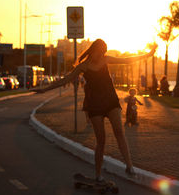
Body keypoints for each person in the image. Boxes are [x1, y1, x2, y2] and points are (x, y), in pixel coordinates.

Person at [34, 39, 157, 183]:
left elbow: (127, 60)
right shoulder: (83, 66)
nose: (102, 54)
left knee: (118, 131)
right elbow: (65, 80)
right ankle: (98, 176)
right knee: (101, 140)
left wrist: (147, 55)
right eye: (101, 51)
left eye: (104, 51)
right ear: (94, 50)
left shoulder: (106, 60)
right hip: (94, 104)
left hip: (111, 101)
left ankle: (129, 166)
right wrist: (44, 90)